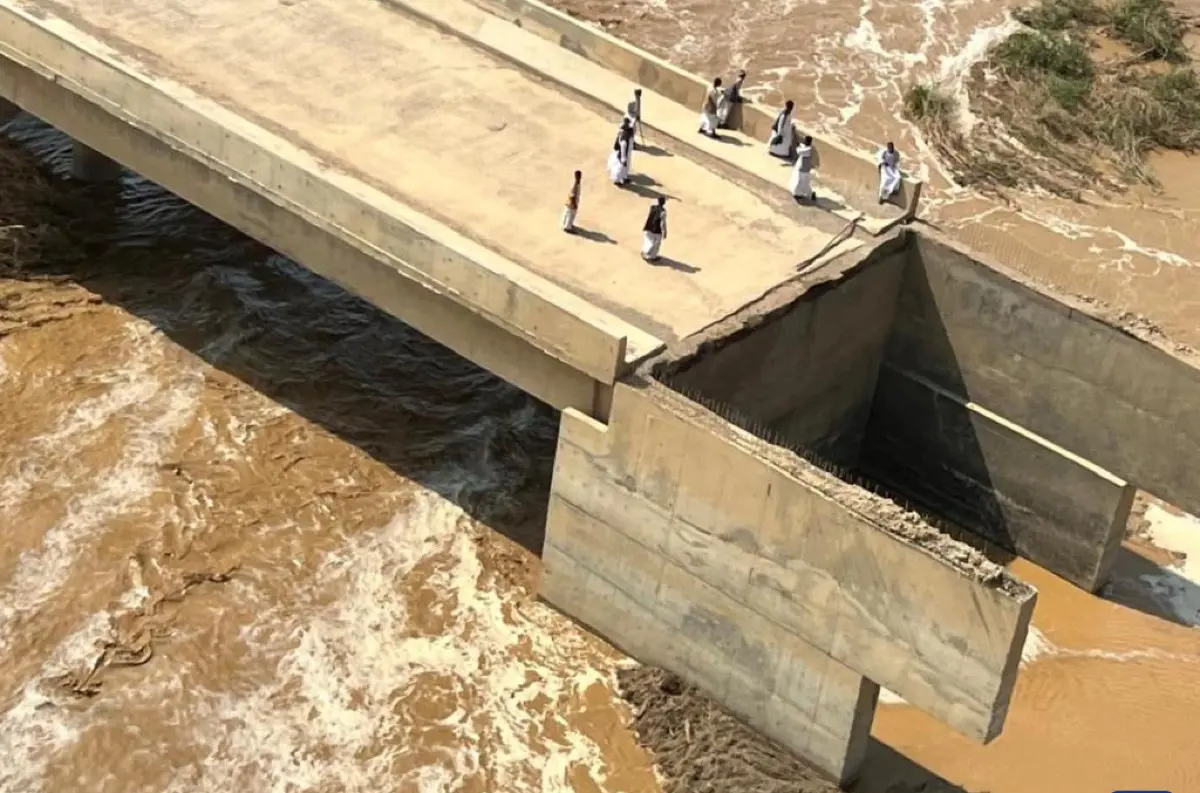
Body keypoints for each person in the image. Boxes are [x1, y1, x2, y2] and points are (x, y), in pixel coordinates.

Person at [790, 136, 817, 202]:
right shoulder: (811, 148)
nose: (804, 141)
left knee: (800, 181)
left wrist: (798, 146)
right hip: (806, 169)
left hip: (803, 169)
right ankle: (810, 194)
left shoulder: (808, 150)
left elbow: (799, 151)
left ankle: (798, 194)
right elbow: (803, 147)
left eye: (804, 140)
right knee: (805, 183)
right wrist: (799, 144)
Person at [641, 197, 668, 262]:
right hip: (656, 230)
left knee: (648, 241)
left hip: (649, 226)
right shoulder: (663, 212)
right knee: (656, 244)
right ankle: (652, 256)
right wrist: (665, 232)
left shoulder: (652, 207)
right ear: (664, 203)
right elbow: (663, 223)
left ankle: (645, 252)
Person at [608, 120, 634, 186]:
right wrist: (623, 158)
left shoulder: (624, 134)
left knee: (626, 167)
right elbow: (623, 146)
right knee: (620, 168)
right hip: (622, 155)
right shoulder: (624, 137)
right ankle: (617, 181)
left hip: (627, 153)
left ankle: (624, 177)